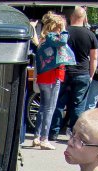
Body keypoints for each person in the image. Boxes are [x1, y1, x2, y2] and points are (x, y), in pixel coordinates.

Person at [49, 6, 97, 139]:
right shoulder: (90, 35)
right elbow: (94, 58)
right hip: (82, 72)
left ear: (72, 17)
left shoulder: (64, 33)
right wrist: (91, 75)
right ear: (84, 18)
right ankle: (75, 133)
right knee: (78, 105)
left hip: (64, 71)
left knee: (59, 102)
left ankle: (54, 132)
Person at [33, 12, 68, 150]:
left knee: (43, 107)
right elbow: (64, 41)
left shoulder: (43, 39)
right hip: (52, 76)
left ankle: (37, 136)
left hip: (43, 76)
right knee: (50, 108)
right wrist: (64, 29)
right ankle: (44, 138)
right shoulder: (52, 37)